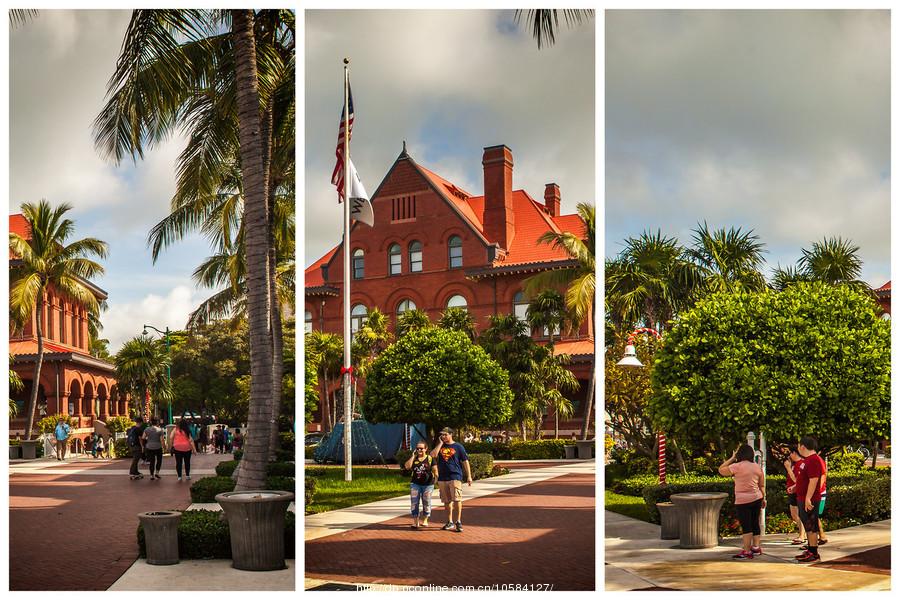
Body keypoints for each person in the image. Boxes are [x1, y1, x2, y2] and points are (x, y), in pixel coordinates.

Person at [718, 444, 766, 560]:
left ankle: (746, 550)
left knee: (746, 525)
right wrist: (764, 498)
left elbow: (721, 470)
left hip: (743, 500)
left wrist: (732, 458)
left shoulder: (737, 466)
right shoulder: (757, 467)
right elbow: (762, 485)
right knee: (755, 523)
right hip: (757, 498)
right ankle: (756, 547)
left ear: (740, 454)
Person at [430, 427, 473, 533]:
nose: (443, 436)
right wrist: (440, 443)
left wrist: (469, 476)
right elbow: (432, 455)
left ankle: (458, 521)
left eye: (445, 434)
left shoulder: (458, 447)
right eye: (442, 435)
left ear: (451, 434)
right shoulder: (440, 446)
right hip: (442, 477)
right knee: (446, 501)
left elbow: (465, 461)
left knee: (457, 499)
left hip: (455, 476)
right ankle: (449, 522)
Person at [795, 436, 827, 563]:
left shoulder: (814, 460)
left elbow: (814, 480)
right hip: (802, 497)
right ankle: (810, 549)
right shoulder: (807, 460)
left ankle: (814, 553)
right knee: (807, 524)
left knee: (811, 525)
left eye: (798, 446)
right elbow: (805, 479)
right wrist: (794, 488)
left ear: (803, 446)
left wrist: (808, 498)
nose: (798, 449)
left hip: (810, 499)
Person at [405, 442, 438, 529]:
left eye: (421, 448)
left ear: (426, 449)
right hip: (415, 484)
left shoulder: (430, 459)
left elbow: (435, 470)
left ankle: (425, 520)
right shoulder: (414, 458)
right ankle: (416, 522)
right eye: (418, 448)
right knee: (414, 502)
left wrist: (436, 480)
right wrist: (412, 456)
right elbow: (407, 467)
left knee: (426, 502)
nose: (419, 450)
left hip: (428, 484)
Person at [784, 446, 807, 545]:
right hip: (791, 492)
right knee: (794, 514)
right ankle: (803, 533)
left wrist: (788, 468)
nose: (789, 456)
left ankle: (802, 535)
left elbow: (797, 480)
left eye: (790, 453)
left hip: (797, 492)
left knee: (799, 514)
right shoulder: (794, 464)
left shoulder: (800, 464)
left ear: (794, 453)